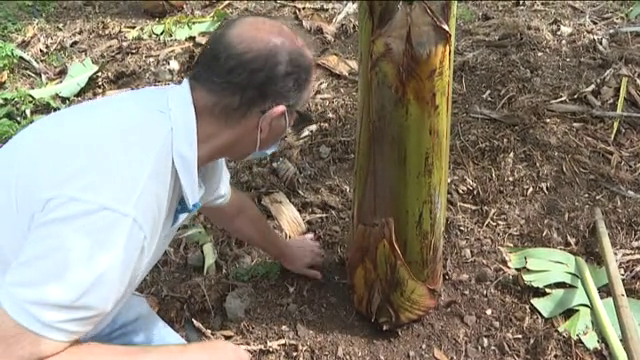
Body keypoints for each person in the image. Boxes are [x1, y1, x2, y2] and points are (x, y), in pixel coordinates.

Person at [0, 15, 323, 360]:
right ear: (273, 120)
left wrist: (284, 250)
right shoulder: (123, 207)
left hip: (45, 299)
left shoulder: (177, 122)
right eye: (296, 117)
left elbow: (228, 205)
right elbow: (13, 349)